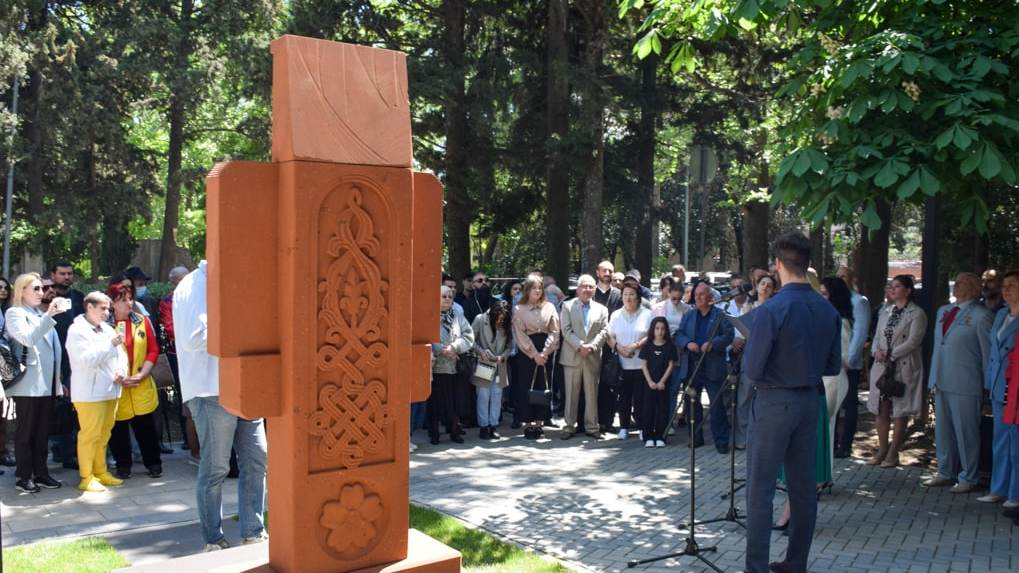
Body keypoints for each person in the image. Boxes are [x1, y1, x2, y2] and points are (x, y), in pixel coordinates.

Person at [742, 231, 841, 573]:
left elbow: (752, 368)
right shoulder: (827, 310)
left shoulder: (772, 309)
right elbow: (832, 365)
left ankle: (755, 568)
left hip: (773, 403)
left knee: (760, 490)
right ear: (808, 264)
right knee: (802, 489)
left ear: (779, 265)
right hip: (809, 403)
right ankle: (796, 562)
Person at [173, 260, 267, 551]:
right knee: (216, 468)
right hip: (210, 389)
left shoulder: (240, 280)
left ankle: (253, 531)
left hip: (246, 387)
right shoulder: (192, 284)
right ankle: (213, 539)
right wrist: (242, 323)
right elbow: (193, 338)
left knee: (257, 460)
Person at [921, 273, 992, 493]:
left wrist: (987, 384)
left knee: (966, 431)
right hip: (942, 379)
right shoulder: (944, 311)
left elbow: (987, 353)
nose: (956, 285)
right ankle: (945, 471)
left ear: (972, 287)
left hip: (966, 382)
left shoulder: (981, 315)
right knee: (943, 430)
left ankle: (969, 476)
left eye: (960, 282)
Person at [5, 272, 68, 492]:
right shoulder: (14, 313)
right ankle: (24, 476)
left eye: (42, 288)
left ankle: (41, 472)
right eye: (36, 288)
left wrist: (58, 383)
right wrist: (49, 314)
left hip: (47, 383)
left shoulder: (39, 314)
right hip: (27, 383)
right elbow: (28, 338)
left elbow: (54, 352)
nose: (42, 293)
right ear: (22, 291)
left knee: (42, 432)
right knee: (26, 431)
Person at [66, 291, 129, 492]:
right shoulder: (77, 331)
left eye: (108, 309)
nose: (107, 312)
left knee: (104, 434)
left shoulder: (108, 329)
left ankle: (101, 472)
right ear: (89, 307)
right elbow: (87, 360)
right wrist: (109, 345)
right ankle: (87, 476)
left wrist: (122, 370)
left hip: (111, 390)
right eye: (103, 308)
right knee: (90, 435)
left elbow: (121, 355)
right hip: (89, 393)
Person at [868, 275, 928, 468]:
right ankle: (882, 449)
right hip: (882, 366)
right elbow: (877, 335)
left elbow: (913, 341)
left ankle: (893, 452)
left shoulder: (917, 314)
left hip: (902, 365)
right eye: (891, 286)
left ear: (908, 290)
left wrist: (891, 353)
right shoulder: (886, 311)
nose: (892, 290)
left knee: (900, 410)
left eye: (897, 286)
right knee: (881, 407)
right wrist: (877, 351)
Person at [106, 283, 163, 479]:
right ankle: (123, 465)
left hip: (141, 383)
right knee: (118, 430)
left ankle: (153, 463)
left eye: (131, 298)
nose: (129, 303)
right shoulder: (103, 326)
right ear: (112, 302)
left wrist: (142, 374)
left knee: (146, 428)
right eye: (123, 300)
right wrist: (118, 377)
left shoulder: (142, 321)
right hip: (116, 385)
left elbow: (153, 350)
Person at [675, 281, 734, 452]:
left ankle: (721, 442)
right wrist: (688, 343)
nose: (698, 297)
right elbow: (679, 334)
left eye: (702, 294)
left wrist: (713, 344)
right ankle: (696, 437)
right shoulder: (689, 315)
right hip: (692, 364)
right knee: (692, 403)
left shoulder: (720, 315)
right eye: (696, 295)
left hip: (713, 364)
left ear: (709, 296)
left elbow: (728, 335)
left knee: (716, 405)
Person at [980, 270, 1019, 508]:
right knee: (1000, 439)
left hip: (1015, 387)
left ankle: (1015, 493)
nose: (1006, 289)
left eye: (1013, 285)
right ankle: (998, 489)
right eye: (1005, 285)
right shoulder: (1001, 314)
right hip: (998, 386)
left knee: (1016, 442)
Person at [558, 274, 609, 439]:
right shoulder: (567, 306)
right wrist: (580, 345)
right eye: (584, 286)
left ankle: (592, 428)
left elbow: (604, 331)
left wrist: (592, 347)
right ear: (578, 289)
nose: (587, 290)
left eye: (590, 287)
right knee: (571, 394)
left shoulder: (602, 309)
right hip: (573, 356)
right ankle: (568, 427)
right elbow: (565, 330)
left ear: (594, 289)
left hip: (592, 356)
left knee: (592, 394)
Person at [512, 276, 560, 439]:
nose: (538, 291)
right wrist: (534, 354)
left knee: (542, 384)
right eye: (534, 288)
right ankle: (528, 422)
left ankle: (540, 421)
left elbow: (554, 331)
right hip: (527, 353)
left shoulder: (550, 307)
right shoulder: (519, 309)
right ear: (527, 290)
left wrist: (545, 352)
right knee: (526, 385)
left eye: (540, 288)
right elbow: (520, 335)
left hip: (546, 351)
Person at [607, 278, 651, 440]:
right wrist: (620, 348)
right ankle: (624, 426)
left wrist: (635, 345)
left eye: (632, 294)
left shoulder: (647, 314)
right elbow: (609, 336)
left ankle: (641, 427)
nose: (628, 298)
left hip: (641, 364)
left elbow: (651, 335)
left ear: (638, 296)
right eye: (625, 294)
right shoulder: (616, 315)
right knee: (623, 398)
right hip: (622, 364)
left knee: (640, 398)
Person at [834, 266, 871, 459]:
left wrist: (851, 358)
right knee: (833, 404)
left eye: (844, 276)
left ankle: (846, 444)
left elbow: (859, 332)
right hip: (834, 361)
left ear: (852, 278)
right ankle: (832, 443)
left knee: (849, 405)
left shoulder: (859, 301)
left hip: (849, 362)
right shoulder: (835, 301)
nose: (840, 279)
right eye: (838, 276)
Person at [430, 285, 474, 445]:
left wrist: (455, 347)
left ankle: (454, 431)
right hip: (436, 366)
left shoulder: (458, 316)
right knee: (436, 402)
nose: (448, 299)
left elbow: (468, 336)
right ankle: (434, 434)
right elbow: (427, 337)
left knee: (454, 402)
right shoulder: (429, 316)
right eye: (444, 296)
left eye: (450, 296)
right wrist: (442, 349)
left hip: (455, 365)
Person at [819, 277, 853, 479]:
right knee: (822, 428)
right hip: (822, 378)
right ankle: (821, 474)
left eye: (824, 293)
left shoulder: (841, 322)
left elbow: (845, 356)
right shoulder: (825, 318)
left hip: (833, 378)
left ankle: (822, 476)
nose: (821, 297)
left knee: (825, 427)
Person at [652, 276, 689, 433]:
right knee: (659, 387)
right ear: (668, 293)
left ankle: (669, 421)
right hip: (661, 352)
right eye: (673, 298)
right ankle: (657, 420)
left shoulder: (687, 309)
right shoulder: (659, 308)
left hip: (678, 353)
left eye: (678, 299)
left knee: (673, 388)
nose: (675, 301)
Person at [471, 300, 511, 440]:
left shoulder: (507, 322)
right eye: (499, 316)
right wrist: (481, 352)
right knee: (483, 395)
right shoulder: (480, 319)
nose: (501, 319)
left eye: (503, 317)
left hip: (500, 364)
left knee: (497, 395)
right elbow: (471, 340)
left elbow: (510, 346)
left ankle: (493, 426)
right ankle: (483, 426)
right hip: (484, 362)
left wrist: (503, 356)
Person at [639, 316, 677, 447]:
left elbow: (670, 365)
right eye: (657, 328)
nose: (660, 331)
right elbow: (643, 365)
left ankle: (661, 436)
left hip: (663, 384)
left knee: (663, 409)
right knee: (648, 409)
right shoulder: (647, 346)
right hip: (649, 383)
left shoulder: (670, 346)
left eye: (662, 329)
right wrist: (650, 381)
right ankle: (648, 436)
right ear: (652, 330)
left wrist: (662, 381)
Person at [594, 261, 622, 432]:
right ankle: (590, 422)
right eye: (604, 270)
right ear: (598, 272)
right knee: (591, 386)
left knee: (610, 386)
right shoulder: (589, 292)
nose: (607, 273)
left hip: (611, 348)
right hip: (592, 347)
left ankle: (608, 421)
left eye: (610, 271)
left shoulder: (619, 295)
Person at [0, 276, 14, 468]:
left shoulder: (9, 311)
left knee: (3, 411)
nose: (2, 290)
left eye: (5, 287)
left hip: (6, 363)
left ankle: (2, 452)